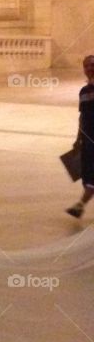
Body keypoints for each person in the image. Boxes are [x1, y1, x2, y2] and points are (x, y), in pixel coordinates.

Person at [66, 54, 94, 219]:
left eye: (92, 65)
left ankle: (80, 205)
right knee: (88, 173)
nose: (89, 68)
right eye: (86, 66)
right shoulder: (84, 91)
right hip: (88, 139)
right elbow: (82, 116)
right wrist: (78, 138)